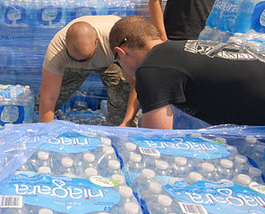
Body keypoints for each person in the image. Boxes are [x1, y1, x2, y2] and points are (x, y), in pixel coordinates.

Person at [109, 15, 265, 129]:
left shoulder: (151, 68)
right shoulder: (178, 51)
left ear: (121, 53)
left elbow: (156, 140)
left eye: (118, 62)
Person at [39, 15, 138, 126]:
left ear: (96, 41)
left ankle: (121, 134)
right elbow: (49, 97)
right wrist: (45, 132)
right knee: (42, 107)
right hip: (74, 66)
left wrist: (127, 122)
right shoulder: (56, 51)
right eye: (77, 59)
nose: (83, 64)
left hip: (110, 59)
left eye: (87, 58)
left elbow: (135, 82)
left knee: (122, 98)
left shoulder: (117, 39)